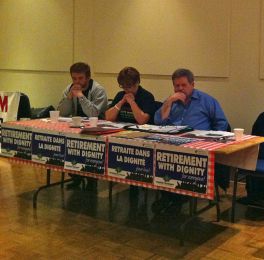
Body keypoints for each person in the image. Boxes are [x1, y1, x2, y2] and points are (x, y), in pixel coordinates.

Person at [153, 68, 229, 214]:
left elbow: (222, 123)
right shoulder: (172, 100)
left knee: (179, 162)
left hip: (196, 146)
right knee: (158, 158)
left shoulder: (207, 101)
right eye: (176, 86)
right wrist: (169, 102)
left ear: (192, 84)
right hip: (171, 143)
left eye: (183, 85)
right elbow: (158, 122)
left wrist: (209, 139)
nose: (180, 89)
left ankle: (177, 199)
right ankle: (168, 196)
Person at [105, 67, 157, 207]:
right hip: (122, 136)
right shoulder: (120, 95)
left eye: (129, 86)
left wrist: (132, 102)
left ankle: (138, 185)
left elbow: (142, 120)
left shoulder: (146, 96)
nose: (127, 90)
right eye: (123, 87)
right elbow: (108, 117)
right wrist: (121, 102)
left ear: (137, 83)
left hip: (142, 139)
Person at [58, 62, 108, 191]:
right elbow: (62, 112)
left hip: (96, 128)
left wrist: (81, 96)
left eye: (80, 78)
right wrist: (69, 98)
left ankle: (92, 180)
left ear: (88, 77)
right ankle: (76, 176)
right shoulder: (69, 88)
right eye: (74, 78)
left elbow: (94, 113)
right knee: (67, 143)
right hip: (76, 126)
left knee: (89, 148)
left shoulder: (98, 90)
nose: (77, 81)